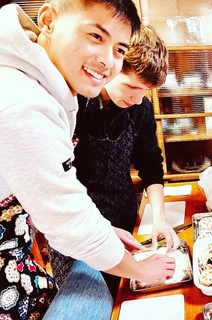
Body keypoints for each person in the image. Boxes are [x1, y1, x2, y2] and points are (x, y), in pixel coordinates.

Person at [0, 1, 175, 319]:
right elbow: (67, 220)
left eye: (118, 49)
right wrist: (140, 269)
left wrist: (119, 228)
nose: (107, 60)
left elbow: (151, 160)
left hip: (109, 220)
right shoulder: (28, 103)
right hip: (68, 235)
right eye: (96, 35)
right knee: (93, 298)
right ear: (49, 20)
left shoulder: (51, 90)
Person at [48, 23, 181, 296]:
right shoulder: (75, 104)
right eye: (132, 87)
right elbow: (57, 185)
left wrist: (160, 217)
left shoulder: (139, 106)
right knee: (90, 293)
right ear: (112, 67)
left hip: (123, 211)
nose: (138, 99)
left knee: (126, 295)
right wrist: (100, 228)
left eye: (146, 91)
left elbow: (151, 162)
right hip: (76, 220)